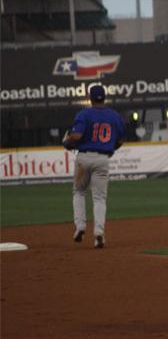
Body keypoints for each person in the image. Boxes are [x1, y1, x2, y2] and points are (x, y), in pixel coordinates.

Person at [62, 85, 125, 249]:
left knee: (79, 192)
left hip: (83, 158)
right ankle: (98, 233)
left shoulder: (84, 114)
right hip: (103, 158)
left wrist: (67, 143)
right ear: (104, 97)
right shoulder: (115, 116)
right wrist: (110, 149)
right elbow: (119, 141)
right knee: (99, 198)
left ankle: (80, 227)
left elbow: (77, 135)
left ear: (90, 97)